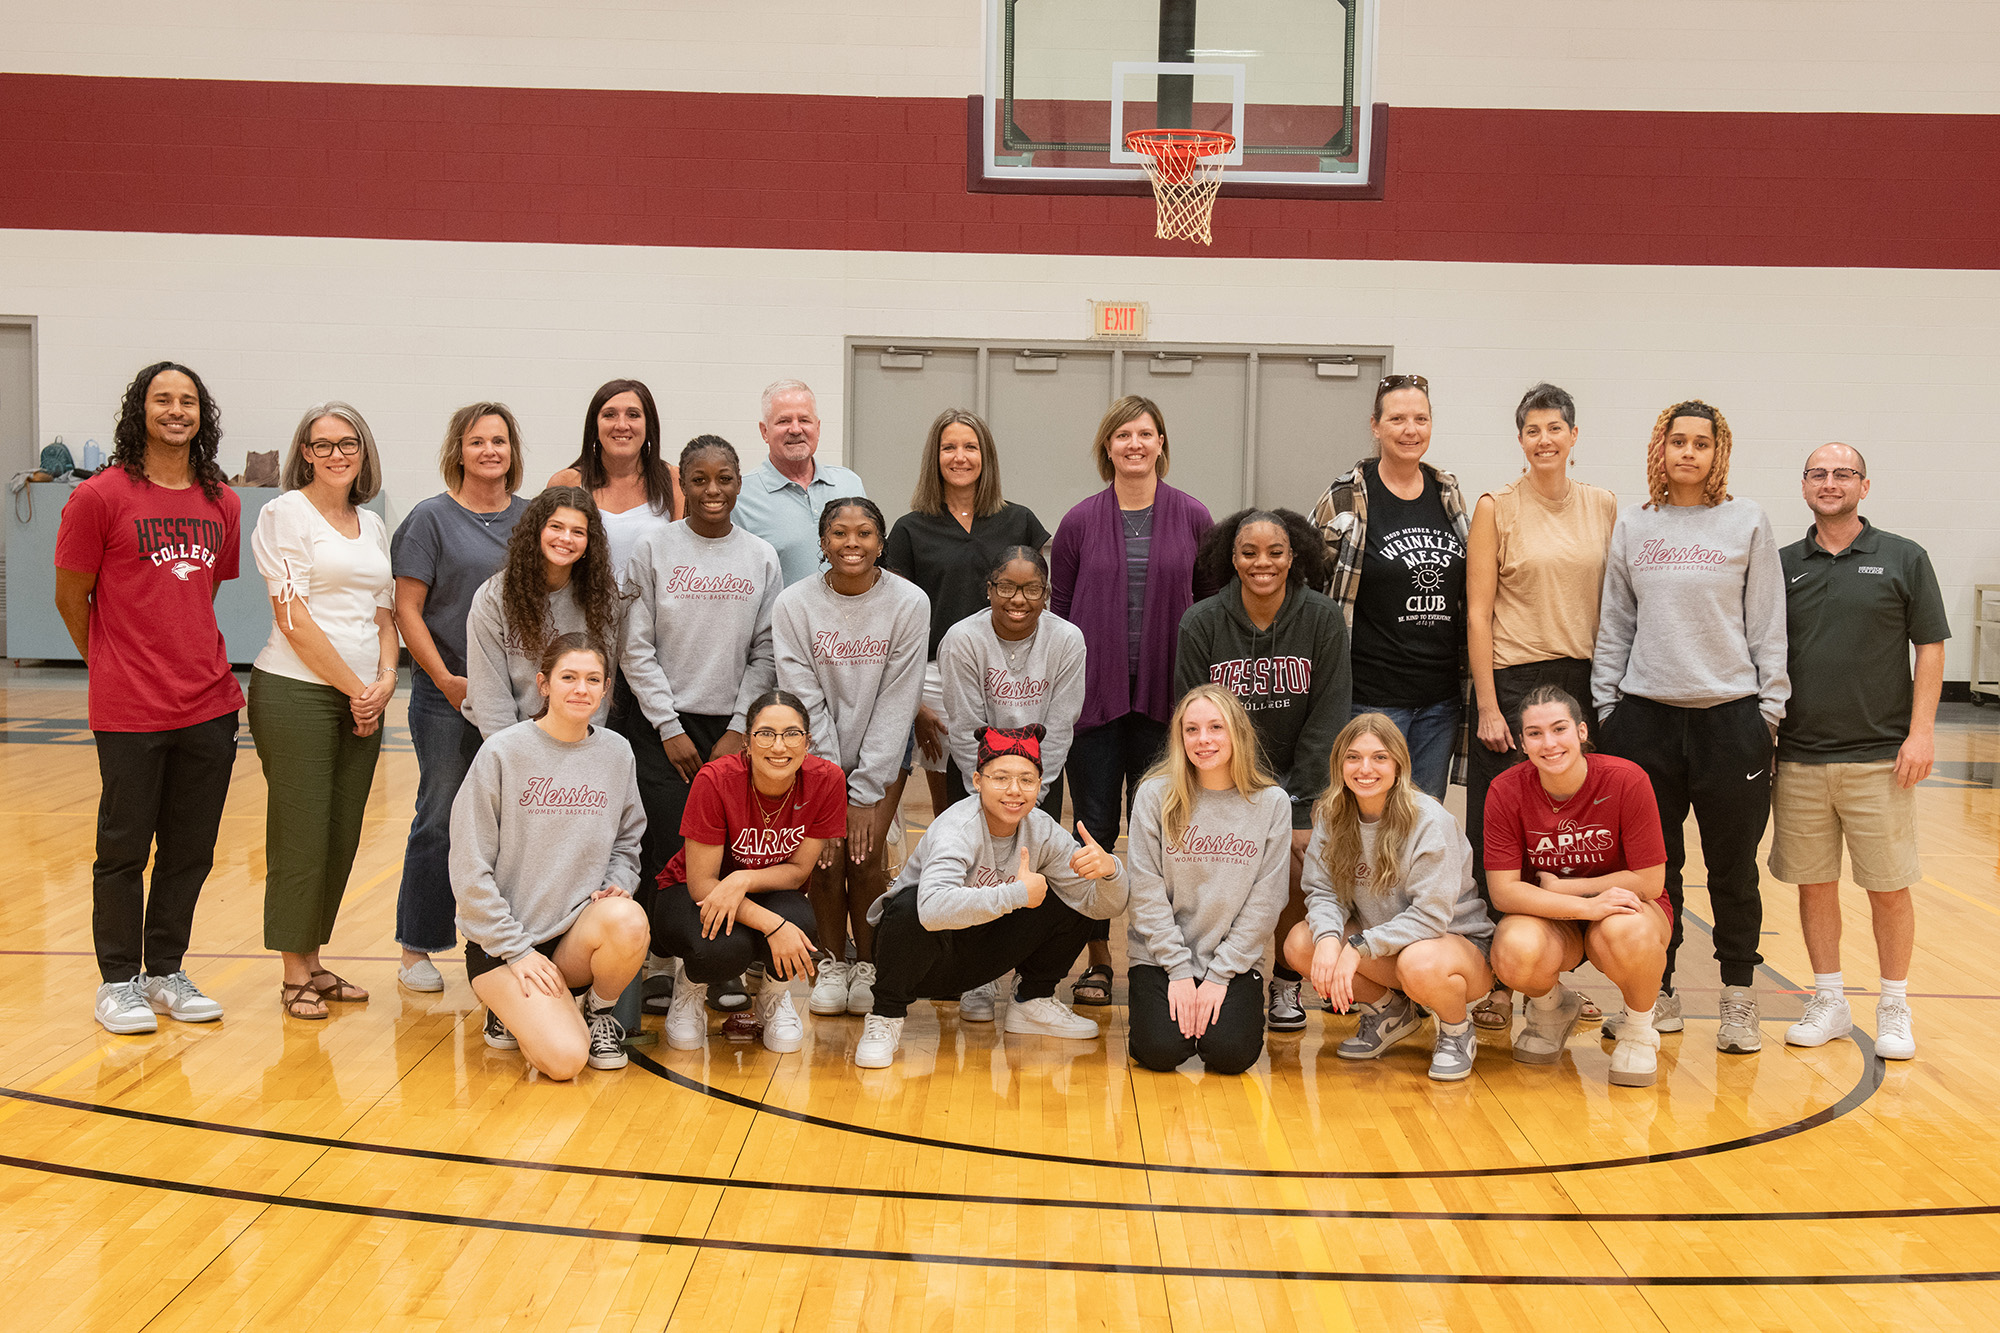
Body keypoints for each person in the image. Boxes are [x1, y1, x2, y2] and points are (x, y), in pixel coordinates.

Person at [1591, 399, 1788, 1053]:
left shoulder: (1747, 521)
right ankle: (1661, 992)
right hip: (1644, 720)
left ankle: (1737, 999)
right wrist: (1608, 708)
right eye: (1678, 440)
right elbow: (1615, 620)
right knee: (1657, 868)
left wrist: (1768, 712)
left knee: (1734, 869)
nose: (1688, 452)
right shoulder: (1636, 525)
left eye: (1702, 443)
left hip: (1731, 721)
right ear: (1661, 449)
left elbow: (1767, 623)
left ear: (1717, 453)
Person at [54, 361, 242, 1035]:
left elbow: (204, 591)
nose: (176, 410)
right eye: (162, 399)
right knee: (125, 847)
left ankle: (164, 970)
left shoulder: (222, 500)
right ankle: (116, 981)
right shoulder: (100, 496)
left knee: (190, 848)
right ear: (141, 411)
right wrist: (108, 658)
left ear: (202, 414)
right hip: (130, 706)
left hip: (210, 702)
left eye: (188, 400)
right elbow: (70, 595)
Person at [1769, 443, 1948, 1061]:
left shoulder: (1905, 558)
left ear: (1864, 487)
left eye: (1843, 473)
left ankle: (1894, 1005)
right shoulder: (1781, 563)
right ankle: (1830, 1000)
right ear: (1803, 486)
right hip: (1799, 758)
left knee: (1889, 887)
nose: (1830, 482)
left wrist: (1921, 733)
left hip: (1881, 757)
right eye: (1818, 473)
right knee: (1814, 885)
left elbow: (1930, 647)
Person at [1463, 383, 1619, 1034]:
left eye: (1556, 428)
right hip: (1512, 679)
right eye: (1533, 429)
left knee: (1571, 836)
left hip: (1581, 679)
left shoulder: (1603, 505)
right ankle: (1502, 977)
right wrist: (1489, 705)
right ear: (1521, 439)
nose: (1545, 439)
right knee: (1499, 836)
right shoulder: (1496, 507)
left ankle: (1553, 973)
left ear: (1574, 436)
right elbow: (1476, 611)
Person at [1050, 394, 1212, 1007]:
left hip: (1167, 709)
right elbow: (1057, 615)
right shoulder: (1078, 521)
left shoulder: (1194, 517)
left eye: (1146, 433)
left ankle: (1162, 955)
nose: (1135, 445)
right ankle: (1096, 961)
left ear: (1161, 443)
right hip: (1092, 707)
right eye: (1123, 435)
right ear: (1107, 447)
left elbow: (1209, 607)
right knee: (1092, 833)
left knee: (1167, 837)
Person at [856, 725, 1128, 1069]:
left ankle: (1032, 1000)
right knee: (908, 906)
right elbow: (931, 911)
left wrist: (1110, 872)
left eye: (1027, 780)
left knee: (1072, 892)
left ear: (1039, 786)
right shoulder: (957, 827)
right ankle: (885, 1017)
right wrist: (1015, 894)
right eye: (1001, 778)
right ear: (977, 781)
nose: (1014, 790)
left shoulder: (1042, 831)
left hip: (980, 957)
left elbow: (1102, 906)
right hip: (924, 960)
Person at [248, 401, 399, 1020]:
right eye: (323, 444)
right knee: (301, 832)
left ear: (363, 452)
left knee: (340, 832)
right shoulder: (284, 513)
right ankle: (292, 972)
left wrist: (386, 679)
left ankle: (313, 960)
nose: (337, 454)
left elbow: (385, 615)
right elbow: (292, 617)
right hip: (296, 692)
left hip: (364, 695)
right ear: (304, 453)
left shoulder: (374, 523)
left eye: (349, 443)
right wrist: (353, 689)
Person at [1175, 507, 1350, 1033]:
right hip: (1220, 781)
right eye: (1249, 552)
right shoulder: (1201, 622)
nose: (1262, 562)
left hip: (1299, 785)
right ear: (1231, 558)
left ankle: (1284, 984)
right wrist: (1221, 786)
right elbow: (1192, 711)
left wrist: (1299, 802)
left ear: (1294, 556)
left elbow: (1328, 716)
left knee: (1298, 867)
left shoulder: (1322, 619)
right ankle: (1206, 969)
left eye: (1275, 551)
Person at [450, 634, 649, 1078]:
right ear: (543, 684)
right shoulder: (502, 752)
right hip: (504, 944)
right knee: (564, 1062)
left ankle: (596, 1012)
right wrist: (517, 952)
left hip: (575, 936)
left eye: (592, 679)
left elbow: (628, 838)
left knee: (629, 919)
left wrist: (620, 879)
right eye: (568, 677)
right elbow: (468, 868)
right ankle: (508, 1008)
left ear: (605, 688)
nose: (581, 689)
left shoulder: (616, 752)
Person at [389, 402, 529, 992]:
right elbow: (407, 610)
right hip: (446, 695)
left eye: (499, 441)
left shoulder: (532, 519)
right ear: (459, 451)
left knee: (522, 822)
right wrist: (445, 679)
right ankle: (418, 947)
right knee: (441, 815)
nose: (489, 451)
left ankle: (513, 940)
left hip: (519, 699)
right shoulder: (430, 519)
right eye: (477, 442)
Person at [772, 496, 928, 1018]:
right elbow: (802, 696)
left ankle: (870, 965)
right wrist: (831, 785)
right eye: (839, 533)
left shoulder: (909, 602)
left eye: (864, 533)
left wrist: (861, 793)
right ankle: (831, 963)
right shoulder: (794, 604)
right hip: (812, 755)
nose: (852, 543)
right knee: (823, 858)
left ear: (881, 543)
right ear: (822, 543)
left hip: (883, 753)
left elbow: (897, 701)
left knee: (863, 856)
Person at [1285, 715, 1494, 1082]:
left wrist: (1356, 947)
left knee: (1419, 962)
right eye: (1353, 757)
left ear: (1398, 765)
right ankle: (1389, 1012)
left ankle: (1457, 1031)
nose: (1365, 769)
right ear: (1339, 764)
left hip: (1453, 950)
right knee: (1304, 943)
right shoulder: (1333, 814)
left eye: (1379, 757)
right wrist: (1332, 940)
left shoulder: (1429, 819)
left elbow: (1430, 918)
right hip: (1382, 946)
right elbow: (1323, 892)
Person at [620, 436, 783, 900]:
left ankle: (714, 957)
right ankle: (661, 955)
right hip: (661, 728)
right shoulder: (653, 549)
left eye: (724, 478)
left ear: (738, 484)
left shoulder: (761, 556)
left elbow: (766, 653)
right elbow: (635, 646)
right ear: (683, 486)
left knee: (729, 850)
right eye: (699, 479)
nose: (713, 489)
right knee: (667, 848)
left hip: (732, 728)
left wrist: (738, 729)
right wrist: (668, 728)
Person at [1484, 687, 1671, 1086]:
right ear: (1522, 742)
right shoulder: (1505, 789)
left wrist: (1570, 890)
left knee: (1628, 931)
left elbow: (1650, 882)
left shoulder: (1626, 779)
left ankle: (1638, 1028)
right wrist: (1587, 907)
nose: (1549, 743)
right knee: (1514, 949)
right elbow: (1504, 892)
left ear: (1582, 731)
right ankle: (1551, 1009)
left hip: (1623, 906)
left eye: (1559, 728)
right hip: (1552, 917)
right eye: (1534, 733)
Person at [936, 544, 1086, 1020]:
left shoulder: (1067, 640)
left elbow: (1061, 725)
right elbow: (963, 725)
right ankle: (975, 979)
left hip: (1041, 780)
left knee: (1036, 873)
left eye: (1031, 589)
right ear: (989, 590)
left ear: (1047, 593)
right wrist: (989, 788)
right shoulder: (962, 639)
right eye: (1007, 587)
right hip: (979, 779)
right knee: (977, 875)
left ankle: (1030, 979)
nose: (1018, 598)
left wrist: (1028, 794)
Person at [883, 409, 1052, 819]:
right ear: (934, 457)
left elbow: (1044, 602)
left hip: (1010, 674)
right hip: (935, 680)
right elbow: (892, 620)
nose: (960, 457)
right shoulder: (910, 529)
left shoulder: (1019, 520)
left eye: (970, 447)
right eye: (949, 447)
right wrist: (916, 706)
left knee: (1008, 790)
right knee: (954, 807)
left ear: (986, 456)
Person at [1309, 374, 1469, 800]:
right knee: (1369, 819)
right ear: (1376, 425)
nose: (1410, 430)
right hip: (1371, 701)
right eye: (1397, 418)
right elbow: (1308, 579)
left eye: (1421, 418)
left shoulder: (1448, 493)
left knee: (1421, 819)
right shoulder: (1346, 496)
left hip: (1440, 702)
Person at [656, 690, 844, 1054]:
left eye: (792, 734)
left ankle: (772, 996)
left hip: (769, 886)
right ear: (747, 742)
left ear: (808, 741)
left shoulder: (827, 780)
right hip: (689, 892)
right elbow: (701, 885)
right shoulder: (716, 779)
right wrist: (771, 924)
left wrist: (742, 879)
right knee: (723, 949)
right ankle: (690, 987)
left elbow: (799, 870)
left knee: (801, 922)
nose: (779, 746)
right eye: (766, 734)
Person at [1125, 686, 1292, 1075]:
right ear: (1179, 737)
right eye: (1192, 729)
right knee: (1159, 1050)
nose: (1203, 740)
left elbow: (1267, 902)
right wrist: (1180, 972)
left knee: (1230, 1054)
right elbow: (1145, 894)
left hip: (1232, 961)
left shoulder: (1271, 803)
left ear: (1237, 733)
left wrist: (1219, 975)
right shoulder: (1155, 795)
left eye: (1216, 727)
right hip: (1160, 957)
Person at [462, 487, 622, 737]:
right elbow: (489, 693)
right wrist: (512, 753)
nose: (566, 538)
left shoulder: (603, 598)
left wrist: (586, 741)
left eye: (578, 532)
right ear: (536, 531)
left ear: (590, 542)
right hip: (504, 738)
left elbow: (598, 686)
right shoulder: (494, 596)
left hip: (576, 737)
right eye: (556, 527)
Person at [733, 379, 866, 586]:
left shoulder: (849, 484)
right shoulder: (741, 496)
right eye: (783, 421)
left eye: (804, 420)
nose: (795, 429)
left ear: (818, 428)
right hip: (779, 619)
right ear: (764, 431)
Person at [548, 378, 681, 577]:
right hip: (584, 606)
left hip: (653, 607)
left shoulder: (673, 480)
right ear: (595, 426)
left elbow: (682, 560)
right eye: (609, 415)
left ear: (648, 426)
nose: (621, 425)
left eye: (633, 415)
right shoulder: (566, 483)